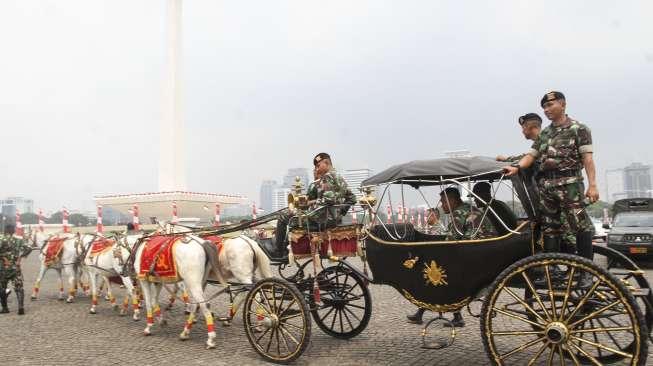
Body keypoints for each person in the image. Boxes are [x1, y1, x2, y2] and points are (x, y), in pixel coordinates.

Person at [504, 91, 598, 285]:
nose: (547, 110)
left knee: (580, 225)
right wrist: (516, 167)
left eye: (550, 105)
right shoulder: (546, 133)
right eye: (544, 107)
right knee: (550, 228)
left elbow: (588, 159)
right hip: (548, 187)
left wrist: (593, 185)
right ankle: (552, 269)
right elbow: (532, 154)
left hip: (570, 183)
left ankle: (586, 272)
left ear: (563, 105)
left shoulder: (578, 129)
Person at [498, 113, 577, 253]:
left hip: (559, 199)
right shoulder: (540, 145)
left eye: (523, 127)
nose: (522, 131)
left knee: (567, 239)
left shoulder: (549, 143)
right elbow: (529, 157)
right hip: (550, 201)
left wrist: (507, 159)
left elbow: (531, 158)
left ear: (530, 127)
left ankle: (577, 271)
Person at [274, 153, 357, 252]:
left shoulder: (327, 177)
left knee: (284, 216)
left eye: (318, 166)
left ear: (326, 163)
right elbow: (352, 198)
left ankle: (279, 250)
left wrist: (309, 204)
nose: (317, 169)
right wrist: (339, 214)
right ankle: (288, 246)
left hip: (320, 220)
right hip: (332, 221)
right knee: (291, 215)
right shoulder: (339, 177)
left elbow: (328, 200)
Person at [0, 224, 32, 315]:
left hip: (3, 268)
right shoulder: (19, 240)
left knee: (2, 288)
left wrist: (3, 258)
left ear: (5, 231)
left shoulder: (1, 239)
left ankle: (5, 308)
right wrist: (20, 257)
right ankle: (21, 307)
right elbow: (29, 248)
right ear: (13, 231)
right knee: (19, 287)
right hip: (15, 267)